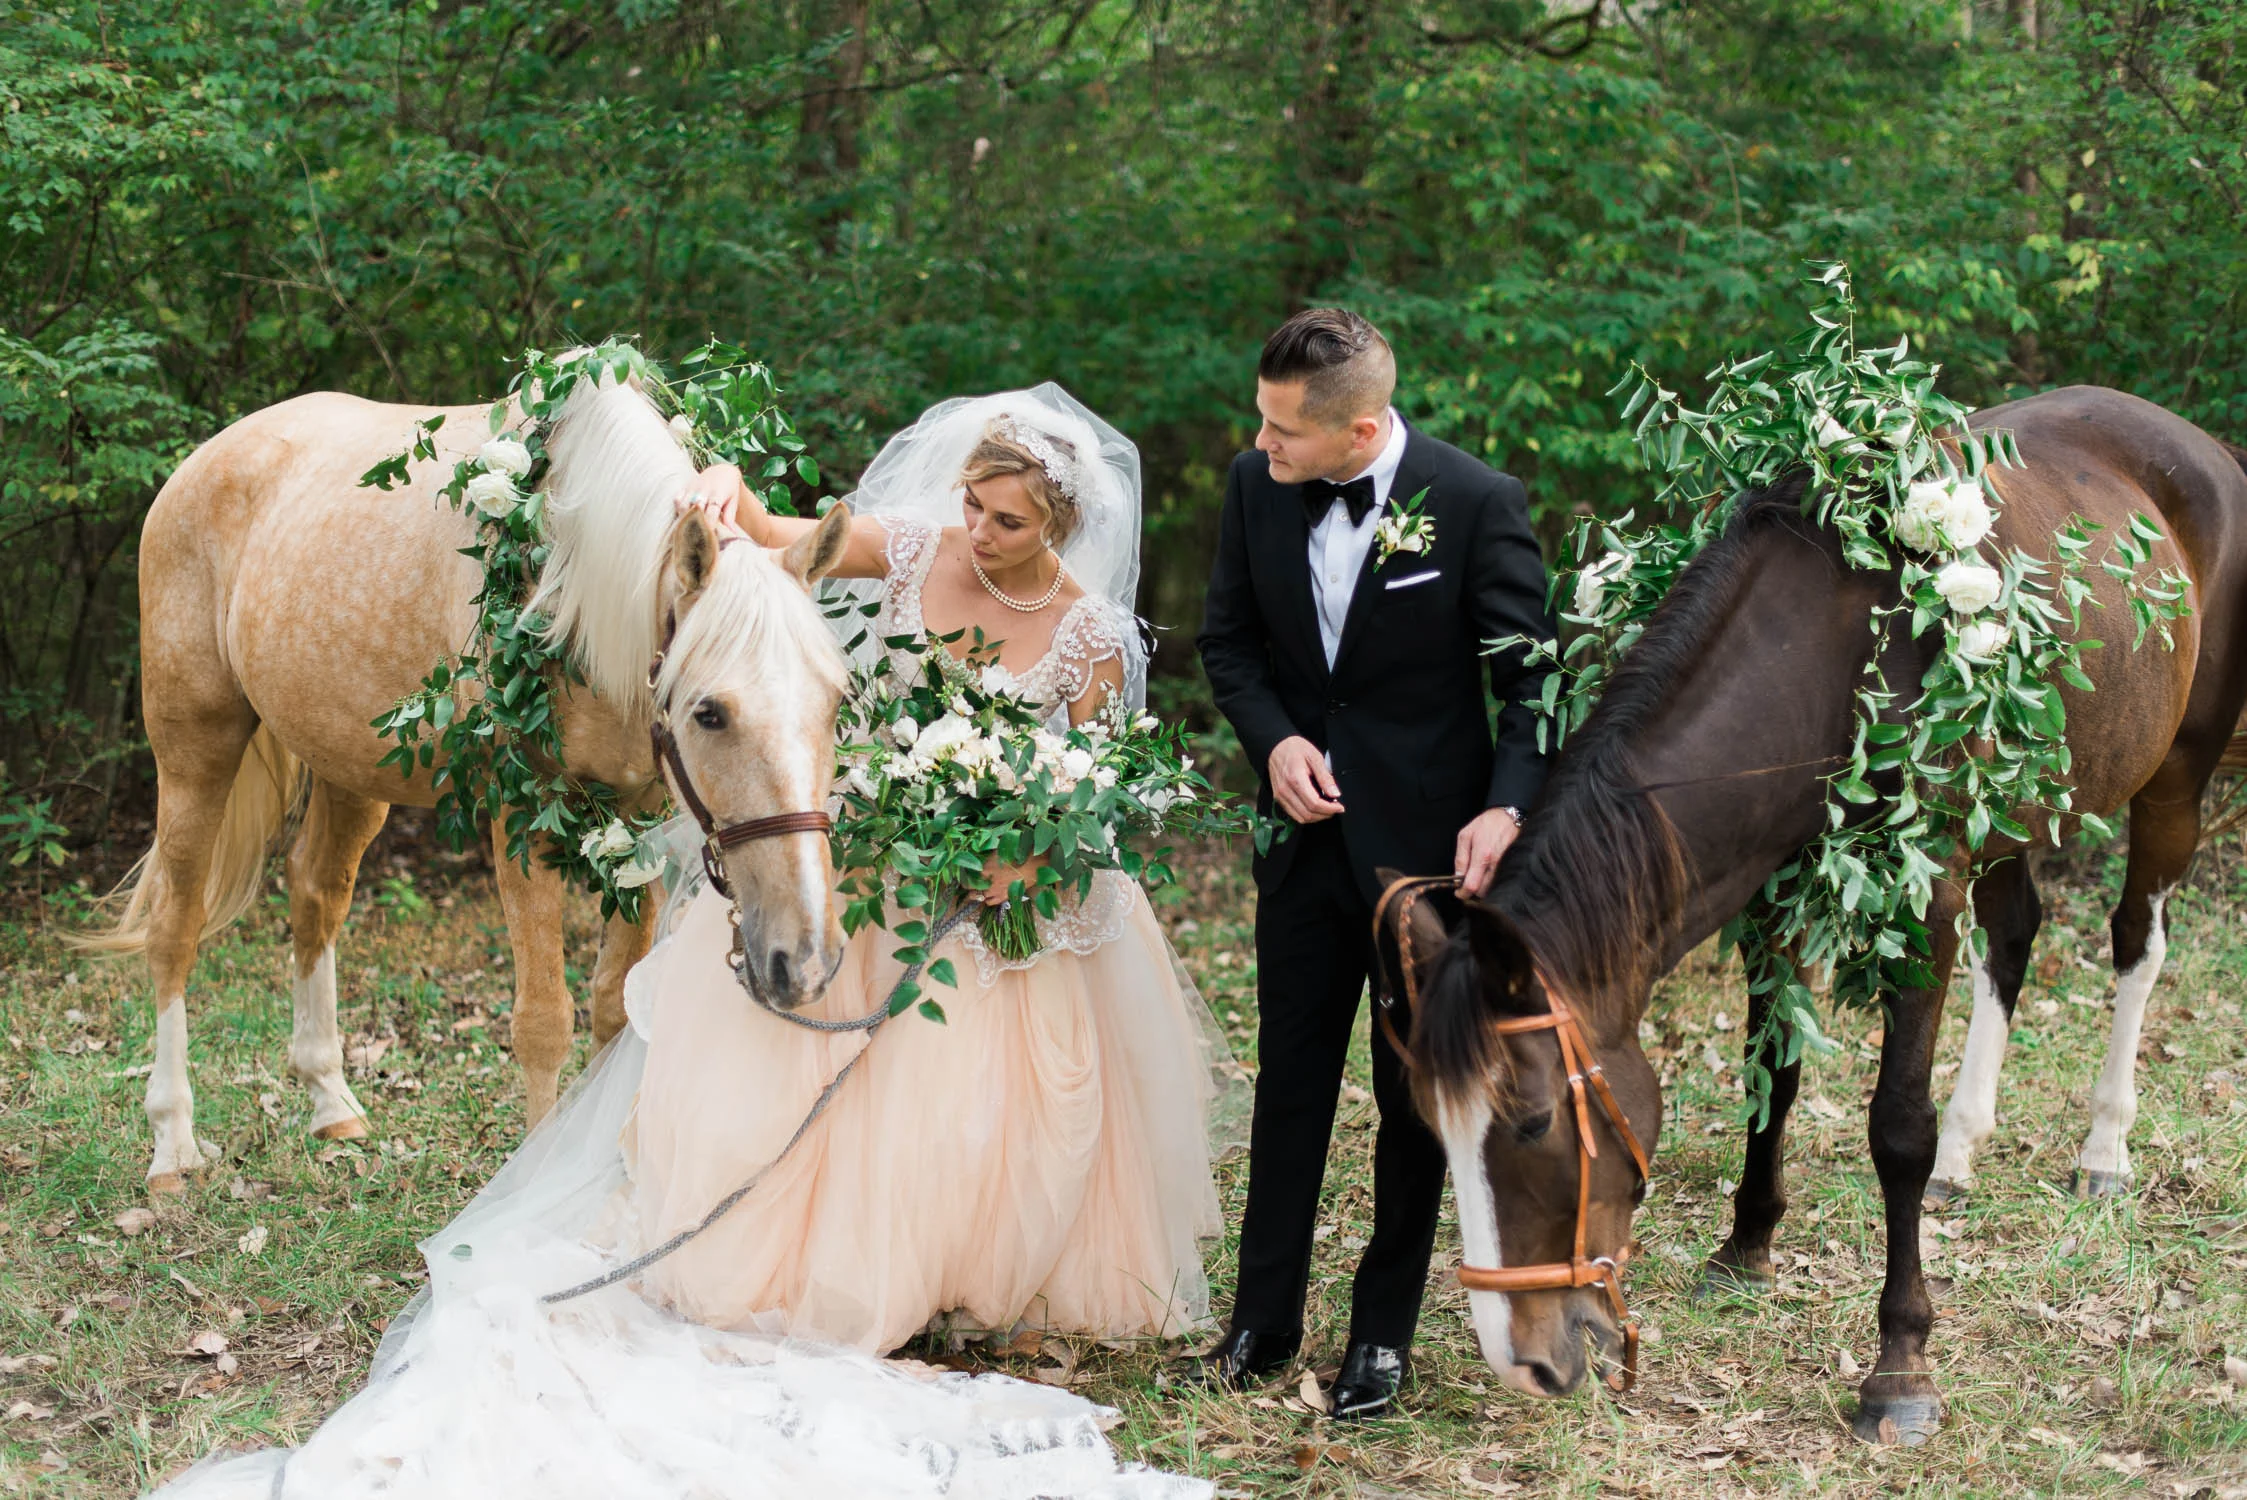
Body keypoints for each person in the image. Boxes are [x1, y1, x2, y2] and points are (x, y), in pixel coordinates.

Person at [145, 387, 1237, 1500]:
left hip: (999, 889)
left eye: (1004, 520)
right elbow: (770, 536)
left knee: (991, 1091)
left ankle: (969, 1282)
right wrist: (718, 492)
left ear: (1057, 524)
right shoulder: (921, 548)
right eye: (971, 504)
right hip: (892, 860)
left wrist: (1022, 849)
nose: (976, 529)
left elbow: (1097, 783)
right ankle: (849, 1272)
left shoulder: (1090, 633)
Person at [1193, 308, 1554, 1419]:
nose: (1262, 447)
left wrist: (1505, 811)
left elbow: (1530, 685)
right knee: (1289, 1083)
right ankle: (1262, 1319)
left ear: (1359, 431)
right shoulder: (1256, 491)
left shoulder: (1479, 503)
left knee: (1413, 1100)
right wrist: (1277, 740)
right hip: (1301, 850)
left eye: (1282, 432)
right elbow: (1229, 644)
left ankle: (1382, 1336)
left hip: (1430, 864)